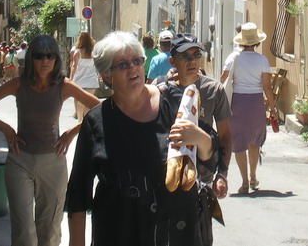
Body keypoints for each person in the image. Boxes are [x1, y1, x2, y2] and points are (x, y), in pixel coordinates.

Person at [66, 31, 217, 246]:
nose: (133, 69)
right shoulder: (96, 121)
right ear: (106, 74)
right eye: (123, 65)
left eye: (137, 61)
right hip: (119, 234)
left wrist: (200, 138)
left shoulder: (174, 103)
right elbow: (78, 196)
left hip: (175, 234)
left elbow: (210, 157)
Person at [0, 34, 100, 246]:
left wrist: (71, 133)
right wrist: (7, 130)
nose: (45, 61)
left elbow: (100, 109)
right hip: (19, 161)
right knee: (23, 231)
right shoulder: (18, 85)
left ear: (57, 60)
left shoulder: (63, 86)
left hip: (53, 164)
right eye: (39, 56)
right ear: (31, 58)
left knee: (49, 230)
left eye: (50, 56)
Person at [158, 33, 232, 244]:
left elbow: (225, 134)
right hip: (166, 184)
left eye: (196, 54)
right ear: (172, 61)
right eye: (185, 56)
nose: (192, 61)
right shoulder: (160, 90)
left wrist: (223, 174)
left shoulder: (213, 90)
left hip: (200, 186)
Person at [219, 22, 277, 194]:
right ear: (256, 42)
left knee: (238, 141)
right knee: (254, 140)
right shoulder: (262, 60)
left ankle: (244, 180)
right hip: (256, 103)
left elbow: (222, 80)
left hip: (237, 102)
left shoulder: (233, 58)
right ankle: (253, 176)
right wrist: (272, 108)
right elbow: (267, 86)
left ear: (241, 41)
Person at [68, 31, 98, 122]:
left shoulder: (78, 52)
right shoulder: (94, 51)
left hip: (80, 80)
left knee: (80, 103)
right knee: (88, 103)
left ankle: (80, 122)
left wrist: (70, 79)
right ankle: (86, 121)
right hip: (91, 80)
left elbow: (74, 66)